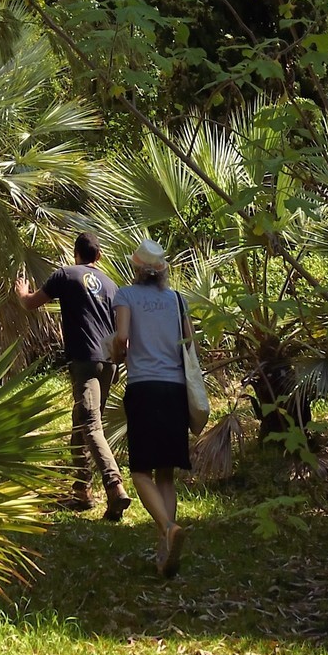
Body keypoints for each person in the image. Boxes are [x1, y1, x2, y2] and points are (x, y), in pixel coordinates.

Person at [15, 233, 132, 520]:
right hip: (109, 363)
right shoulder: (111, 285)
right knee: (79, 425)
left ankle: (115, 486)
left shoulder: (65, 275)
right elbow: (121, 331)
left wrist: (21, 292)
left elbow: (31, 304)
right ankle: (82, 492)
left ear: (75, 253)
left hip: (85, 361)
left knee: (91, 426)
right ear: (99, 256)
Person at [112, 238, 196, 576]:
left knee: (139, 471)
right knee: (165, 473)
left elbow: (121, 337)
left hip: (144, 387)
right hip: (175, 388)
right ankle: (165, 552)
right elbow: (190, 342)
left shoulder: (126, 295)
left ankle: (167, 529)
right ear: (162, 271)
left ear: (135, 268)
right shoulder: (177, 300)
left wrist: (120, 355)